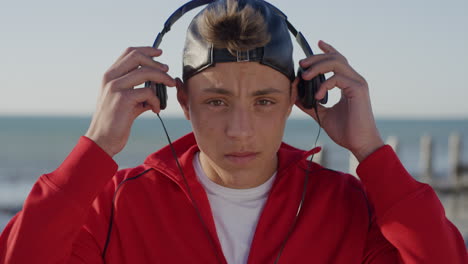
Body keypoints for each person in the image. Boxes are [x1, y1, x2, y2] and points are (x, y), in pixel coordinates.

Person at [1, 0, 467, 263]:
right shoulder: (119, 206)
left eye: (264, 101)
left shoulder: (351, 208)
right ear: (180, 101)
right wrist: (97, 147)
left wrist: (370, 151)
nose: (240, 130)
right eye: (216, 101)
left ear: (297, 100)